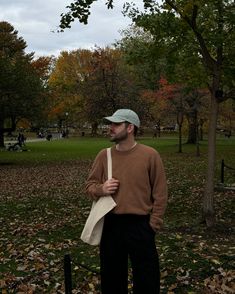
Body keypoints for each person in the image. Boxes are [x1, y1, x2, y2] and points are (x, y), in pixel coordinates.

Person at [85, 109, 168, 294]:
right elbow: (89, 185)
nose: (110, 128)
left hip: (141, 226)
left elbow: (160, 193)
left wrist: (153, 224)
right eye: (110, 124)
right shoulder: (103, 155)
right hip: (111, 225)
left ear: (130, 128)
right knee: (112, 280)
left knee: (147, 280)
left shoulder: (150, 155)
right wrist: (101, 189)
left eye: (116, 124)